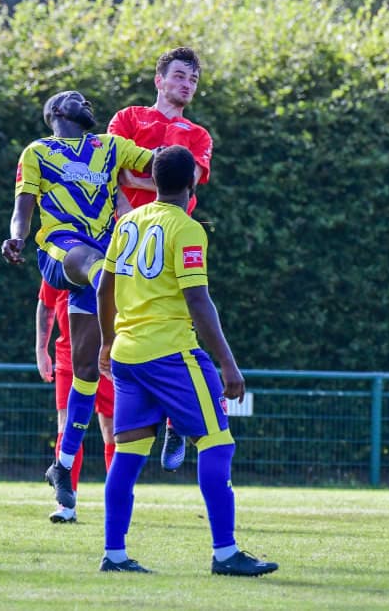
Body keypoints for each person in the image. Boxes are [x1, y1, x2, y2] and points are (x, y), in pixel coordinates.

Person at [96, 146, 278, 576]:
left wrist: (106, 342)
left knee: (128, 455)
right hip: (171, 354)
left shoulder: (127, 222)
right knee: (217, 444)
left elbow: (105, 287)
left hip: (127, 356)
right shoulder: (187, 228)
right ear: (193, 182)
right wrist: (228, 364)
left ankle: (114, 555)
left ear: (154, 181)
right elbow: (198, 300)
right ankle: (225, 553)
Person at [3, 89, 154, 512]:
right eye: (75, 98)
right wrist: (16, 237)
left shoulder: (110, 146)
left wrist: (178, 160)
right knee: (102, 268)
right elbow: (23, 206)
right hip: (62, 249)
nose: (85, 102)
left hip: (103, 264)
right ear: (55, 111)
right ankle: (121, 349)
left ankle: (62, 465)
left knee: (87, 373)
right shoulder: (38, 151)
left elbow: (156, 164)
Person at [108, 46, 214, 471]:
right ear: (159, 80)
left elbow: (185, 182)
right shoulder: (128, 119)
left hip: (169, 241)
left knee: (181, 321)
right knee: (118, 324)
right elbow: (110, 173)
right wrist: (124, 210)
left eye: (193, 80)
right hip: (128, 238)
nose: (187, 84)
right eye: (180, 76)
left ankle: (174, 420)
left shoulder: (198, 135)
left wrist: (135, 181)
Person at [36, 279, 116, 523]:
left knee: (113, 431)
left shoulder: (112, 261)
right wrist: (41, 350)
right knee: (66, 425)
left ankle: (117, 500)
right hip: (69, 358)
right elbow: (46, 303)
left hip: (108, 358)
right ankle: (66, 503)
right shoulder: (60, 261)